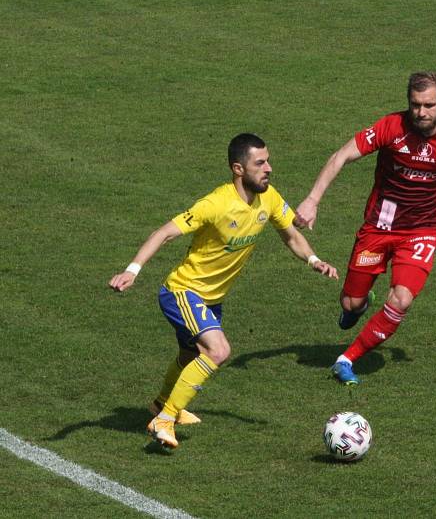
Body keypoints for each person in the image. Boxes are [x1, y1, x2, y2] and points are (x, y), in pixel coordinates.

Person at [108, 133, 338, 448]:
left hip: (212, 298)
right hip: (183, 292)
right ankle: (164, 420)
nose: (269, 168)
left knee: (190, 354)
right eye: (260, 163)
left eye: (268, 160)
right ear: (238, 169)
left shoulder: (268, 198)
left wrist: (314, 260)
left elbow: (291, 235)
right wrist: (132, 270)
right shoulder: (215, 204)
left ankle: (162, 404)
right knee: (218, 351)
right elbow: (164, 233)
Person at [294, 72, 436, 384]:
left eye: (428, 105)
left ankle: (347, 359)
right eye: (415, 105)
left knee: (402, 299)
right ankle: (359, 305)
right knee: (350, 303)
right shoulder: (391, 128)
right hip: (379, 227)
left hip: (422, 230)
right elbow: (343, 155)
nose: (421, 112)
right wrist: (313, 199)